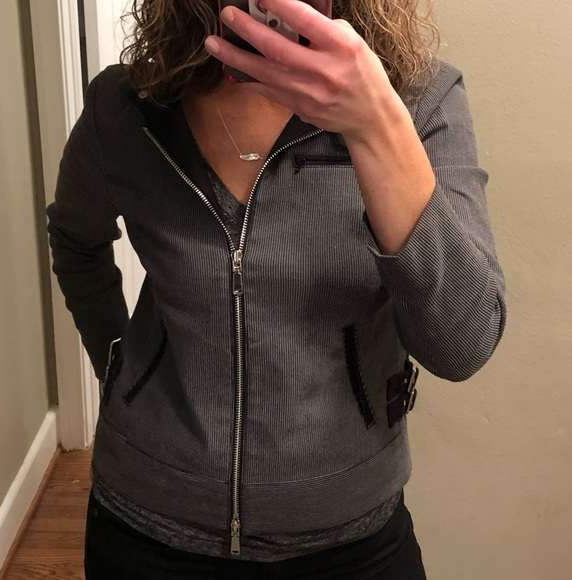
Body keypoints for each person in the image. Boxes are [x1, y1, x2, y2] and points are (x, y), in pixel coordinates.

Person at [46, 0, 507, 577]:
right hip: (147, 526)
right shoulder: (127, 107)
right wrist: (123, 370)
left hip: (351, 539)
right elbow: (76, 241)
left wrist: (375, 125)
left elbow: (463, 344)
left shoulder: (419, 103)